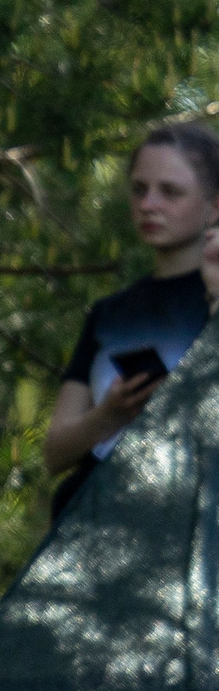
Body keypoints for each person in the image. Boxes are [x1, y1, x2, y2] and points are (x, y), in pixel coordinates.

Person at [44, 123, 219, 519]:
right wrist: (108, 415)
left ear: (214, 205)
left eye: (170, 191)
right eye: (139, 190)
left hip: (190, 530)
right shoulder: (110, 314)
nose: (148, 204)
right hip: (93, 524)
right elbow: (55, 452)